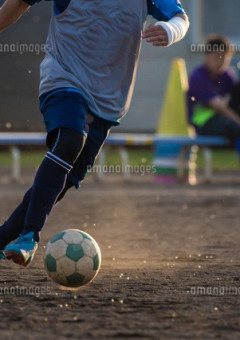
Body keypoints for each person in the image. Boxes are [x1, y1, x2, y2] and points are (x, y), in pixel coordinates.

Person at [0, 0, 189, 266]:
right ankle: (29, 235)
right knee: (70, 141)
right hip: (63, 78)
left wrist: (171, 30)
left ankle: (5, 236)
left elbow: (180, 18)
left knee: (68, 175)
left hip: (109, 98)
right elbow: (19, 2)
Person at [187, 34, 240, 151]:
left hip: (220, 119)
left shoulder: (226, 75)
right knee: (236, 129)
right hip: (202, 124)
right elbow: (220, 107)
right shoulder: (198, 77)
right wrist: (238, 121)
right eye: (217, 57)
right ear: (206, 55)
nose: (221, 61)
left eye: (224, 57)